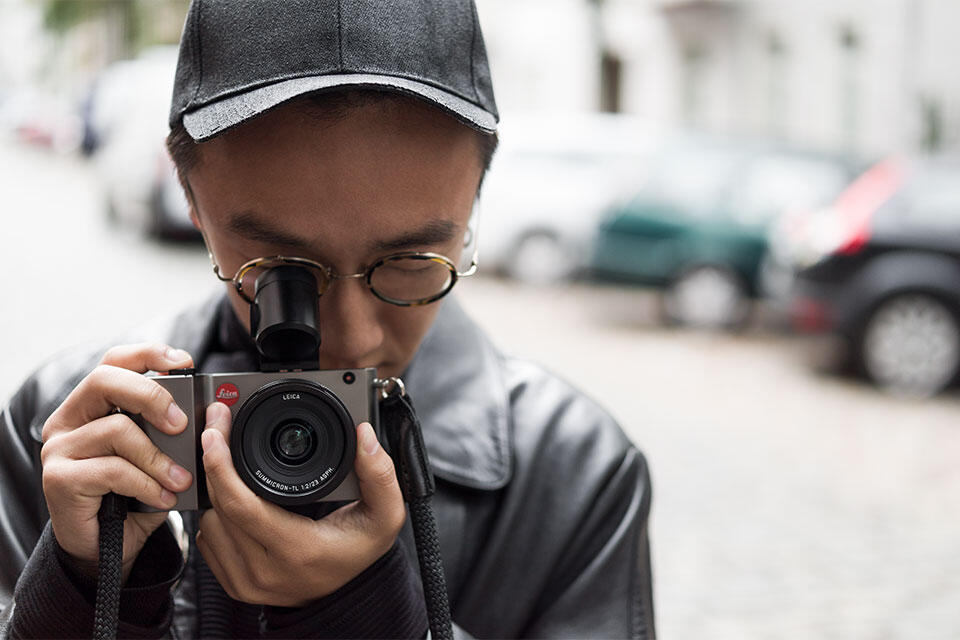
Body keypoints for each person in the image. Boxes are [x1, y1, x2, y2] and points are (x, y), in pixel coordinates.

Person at [0, 1, 655, 638]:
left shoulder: (577, 470)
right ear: (194, 205)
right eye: (282, 268)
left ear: (472, 211)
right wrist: (84, 588)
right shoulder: (69, 434)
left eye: (410, 262)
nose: (353, 339)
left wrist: (365, 616)